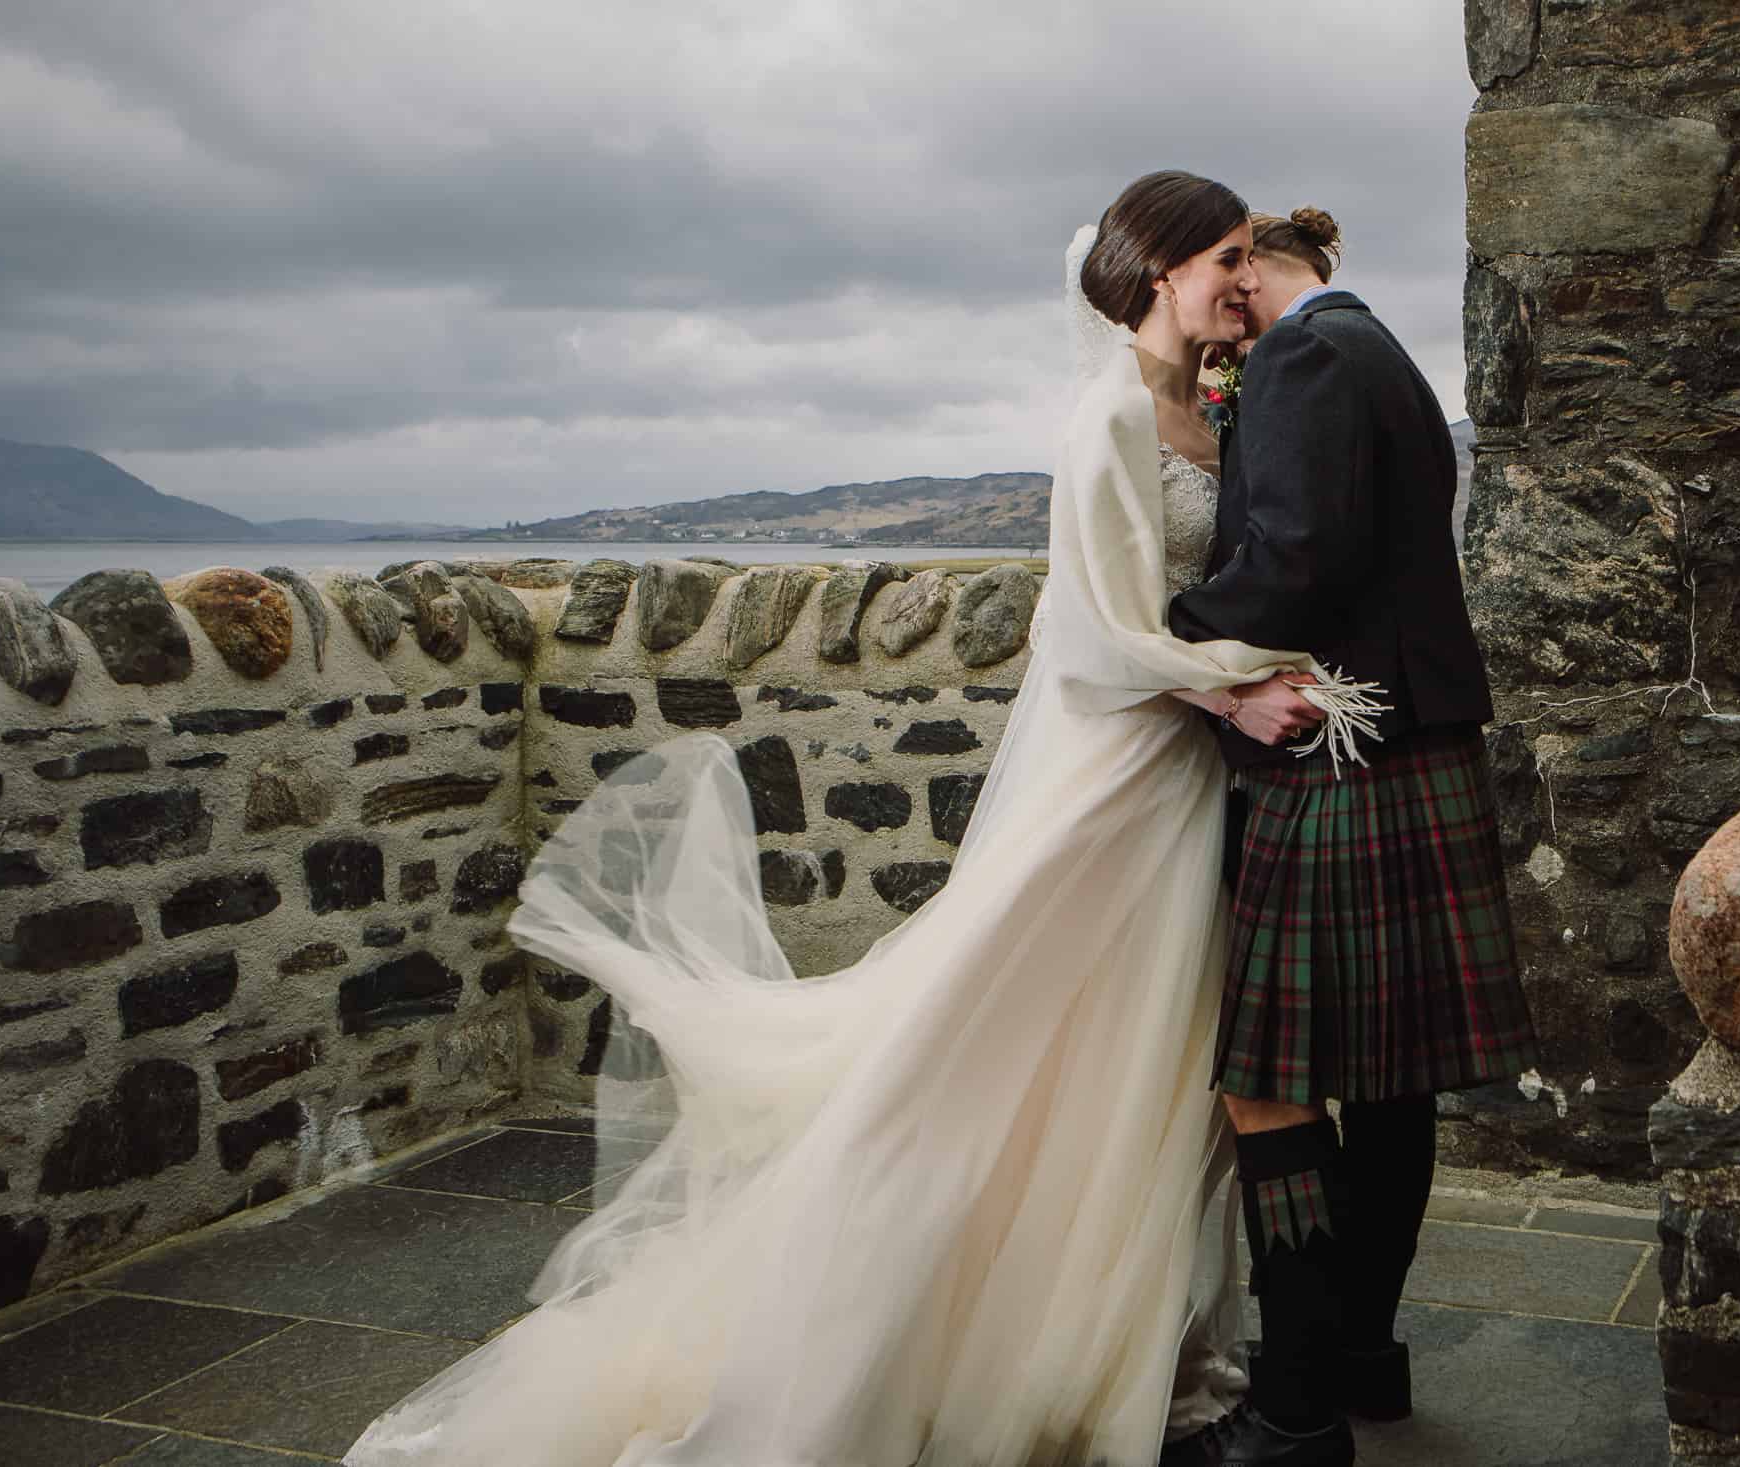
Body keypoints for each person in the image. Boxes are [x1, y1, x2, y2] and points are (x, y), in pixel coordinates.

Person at [341, 171, 1383, 1467]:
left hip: (1181, 781)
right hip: (1117, 780)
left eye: (1245, 256)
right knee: (978, 1056)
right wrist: (1245, 687)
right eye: (1226, 256)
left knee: (1141, 1072)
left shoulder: (1201, 404)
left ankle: (1111, 1334)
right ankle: (872, 1345)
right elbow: (1103, 641)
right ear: (1158, 270)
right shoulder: (1110, 415)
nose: (1244, 278)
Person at [1164, 208, 1542, 1467]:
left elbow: (1299, 559)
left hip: (1342, 752)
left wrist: (1166, 629)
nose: (1226, 297)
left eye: (1230, 268)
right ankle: (1367, 1361)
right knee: (1388, 1083)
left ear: (1261, 265)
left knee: (1265, 1081)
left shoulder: (1304, 355)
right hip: (1410, 744)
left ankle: (1292, 1409)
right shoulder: (1376, 346)